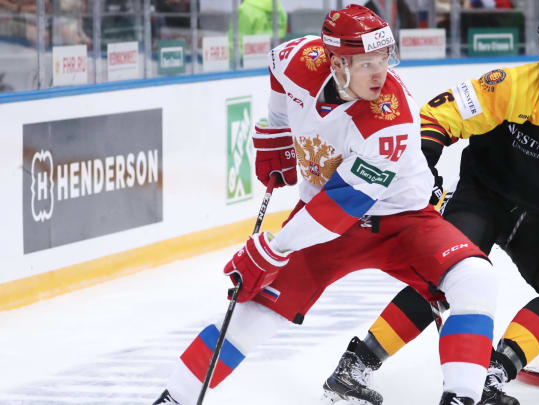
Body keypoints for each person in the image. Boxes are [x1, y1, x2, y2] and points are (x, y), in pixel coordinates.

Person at [152, 5, 499, 405]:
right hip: (321, 223)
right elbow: (276, 70)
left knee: (476, 278)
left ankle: (462, 397)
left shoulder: (389, 120)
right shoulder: (298, 58)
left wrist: (275, 249)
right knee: (252, 313)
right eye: (366, 62)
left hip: (400, 221)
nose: (379, 73)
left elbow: (340, 208)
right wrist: (278, 128)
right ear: (335, 61)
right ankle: (174, 398)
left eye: (384, 59)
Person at [322, 5, 539, 405]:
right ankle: (355, 364)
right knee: (444, 278)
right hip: (481, 200)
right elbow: (438, 115)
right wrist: (425, 157)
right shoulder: (508, 85)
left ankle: (491, 372)